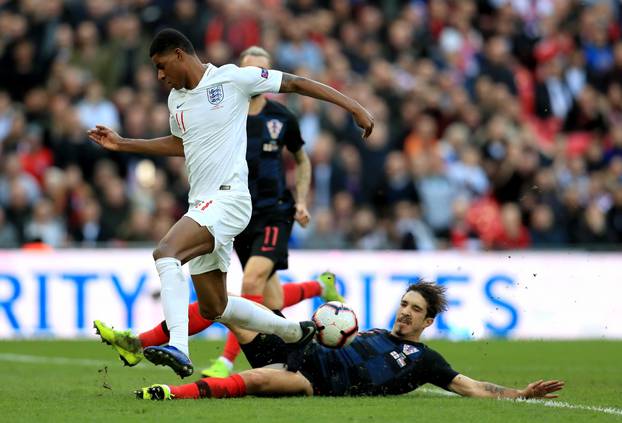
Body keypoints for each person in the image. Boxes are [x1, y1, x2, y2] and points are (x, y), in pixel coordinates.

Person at [87, 29, 374, 378]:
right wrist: (125, 144)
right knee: (215, 306)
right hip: (202, 205)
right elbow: (182, 145)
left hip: (230, 199)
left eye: (161, 66)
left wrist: (355, 107)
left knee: (166, 253)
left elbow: (297, 83)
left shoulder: (233, 79)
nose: (159, 76)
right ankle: (296, 333)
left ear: (179, 54)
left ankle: (178, 346)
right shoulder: (176, 100)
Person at [97, 281, 564, 401]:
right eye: (403, 304)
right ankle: (140, 345)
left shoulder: (425, 361)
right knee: (224, 305)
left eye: (414, 309)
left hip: (316, 381)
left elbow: (472, 387)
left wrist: (519, 393)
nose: (404, 312)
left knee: (256, 381)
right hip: (301, 346)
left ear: (428, 321)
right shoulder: (373, 332)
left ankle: (169, 394)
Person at [201, 46, 343, 378]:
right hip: (239, 216)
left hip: (275, 212)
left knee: (250, 280)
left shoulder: (282, 118)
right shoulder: (225, 116)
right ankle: (320, 286)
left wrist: (302, 201)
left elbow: (302, 159)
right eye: (252, 71)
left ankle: (226, 360)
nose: (258, 78)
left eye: (264, 72)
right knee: (270, 296)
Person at [93, 272, 340, 367]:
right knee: (263, 297)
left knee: (222, 302)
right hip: (290, 350)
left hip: (283, 353)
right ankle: (320, 286)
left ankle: (138, 344)